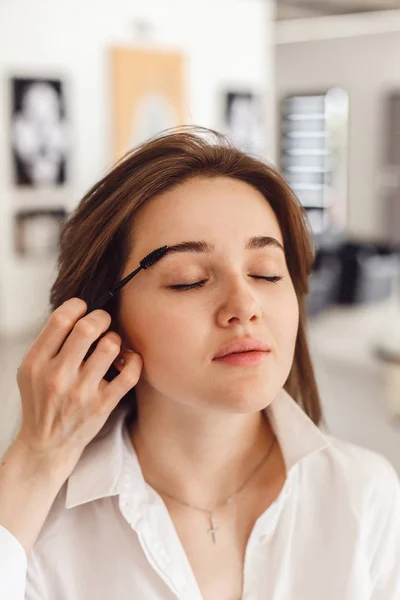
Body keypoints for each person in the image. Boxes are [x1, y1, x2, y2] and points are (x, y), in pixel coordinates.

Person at [0, 127, 399, 600]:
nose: (245, 304)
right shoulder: (37, 528)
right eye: (189, 280)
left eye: (267, 272)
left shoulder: (364, 495)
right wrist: (33, 462)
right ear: (103, 320)